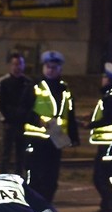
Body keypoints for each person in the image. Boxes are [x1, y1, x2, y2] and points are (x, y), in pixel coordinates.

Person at [20, 50, 79, 203]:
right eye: (48, 67)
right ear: (43, 67)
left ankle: (46, 209)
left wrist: (73, 138)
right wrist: (37, 120)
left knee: (51, 179)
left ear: (60, 69)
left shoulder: (65, 89)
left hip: (55, 141)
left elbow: (70, 114)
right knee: (34, 177)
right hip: (36, 139)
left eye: (54, 67)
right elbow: (22, 110)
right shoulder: (34, 86)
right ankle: (32, 210)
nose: (50, 70)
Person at [81, 62, 112, 212]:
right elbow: (106, 113)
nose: (102, 79)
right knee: (99, 177)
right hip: (108, 143)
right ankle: (106, 208)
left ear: (109, 79)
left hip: (110, 143)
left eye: (104, 77)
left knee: (106, 177)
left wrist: (90, 125)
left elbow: (108, 118)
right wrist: (91, 116)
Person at [0, 51, 32, 175]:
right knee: (6, 154)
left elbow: (32, 103)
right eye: (15, 64)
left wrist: (29, 119)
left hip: (24, 125)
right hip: (9, 124)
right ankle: (3, 177)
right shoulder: (3, 82)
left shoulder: (28, 82)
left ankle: (20, 178)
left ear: (24, 65)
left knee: (22, 155)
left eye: (20, 64)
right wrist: (4, 120)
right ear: (10, 65)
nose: (17, 67)